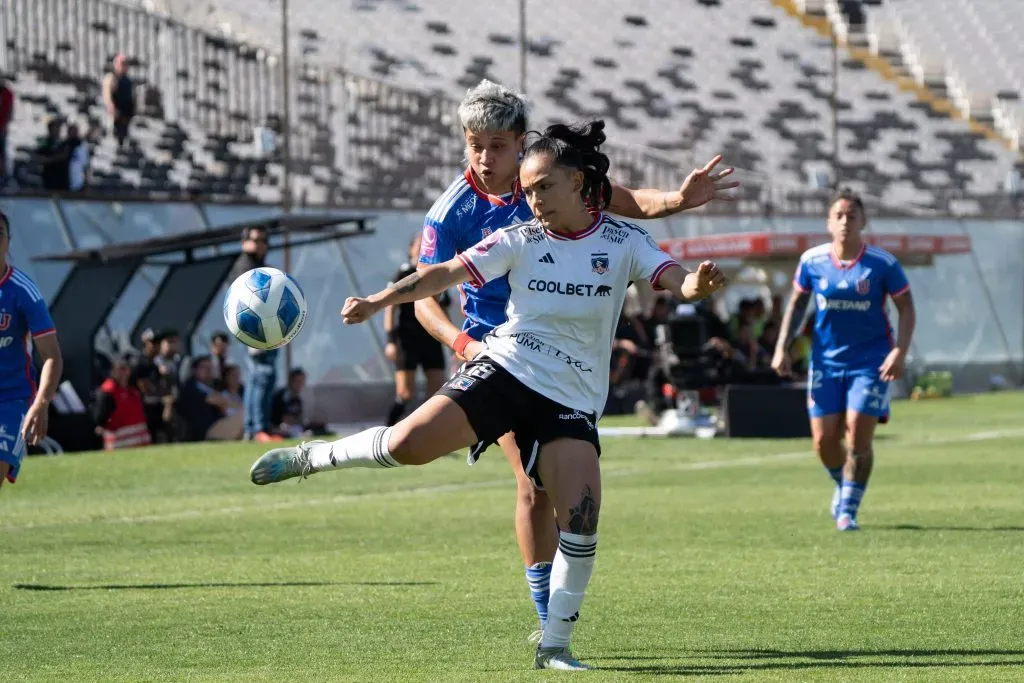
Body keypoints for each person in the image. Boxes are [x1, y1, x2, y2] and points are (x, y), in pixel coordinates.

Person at [250, 121, 726, 670]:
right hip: (506, 369)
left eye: (544, 188)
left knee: (582, 518)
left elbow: (677, 279)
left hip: (572, 398)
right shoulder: (519, 239)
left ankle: (555, 646)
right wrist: (379, 300)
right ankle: (312, 457)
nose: (533, 201)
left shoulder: (623, 241)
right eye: (527, 191)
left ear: (577, 182)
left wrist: (698, 285)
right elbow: (443, 274)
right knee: (407, 446)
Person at [411, 79, 738, 640]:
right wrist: (466, 346)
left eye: (497, 146)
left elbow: (629, 202)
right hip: (498, 352)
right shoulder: (450, 212)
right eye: (474, 145)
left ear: (520, 143)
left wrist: (680, 200)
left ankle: (553, 613)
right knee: (531, 483)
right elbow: (424, 298)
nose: (485, 158)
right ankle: (547, 615)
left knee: (549, 487)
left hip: (566, 356)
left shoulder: (549, 180)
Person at [771, 188, 916, 532]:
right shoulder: (812, 261)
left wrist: (900, 351)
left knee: (858, 434)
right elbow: (796, 305)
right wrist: (781, 347)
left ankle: (848, 509)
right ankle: (844, 482)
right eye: (839, 216)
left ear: (863, 221)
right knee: (823, 441)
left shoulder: (882, 264)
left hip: (871, 361)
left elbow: (907, 307)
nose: (845, 222)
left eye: (852, 216)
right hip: (826, 362)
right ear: (828, 223)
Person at [0, 210, 63, 489]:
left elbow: (51, 355)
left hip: (10, 401)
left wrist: (40, 403)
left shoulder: (22, 290)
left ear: (8, 241)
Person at [384, 233, 451, 426]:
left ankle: (426, 432)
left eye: (426, 244)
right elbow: (390, 307)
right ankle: (386, 431)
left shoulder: (437, 273)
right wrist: (390, 341)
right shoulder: (404, 272)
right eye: (419, 244)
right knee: (405, 393)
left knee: (437, 391)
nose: (423, 247)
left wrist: (452, 339)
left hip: (431, 337)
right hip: (407, 339)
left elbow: (443, 308)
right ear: (411, 249)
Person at [229, 226, 282, 442]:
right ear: (244, 243)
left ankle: (256, 428)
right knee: (262, 375)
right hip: (255, 328)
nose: (260, 244)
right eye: (255, 240)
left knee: (260, 377)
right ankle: (258, 428)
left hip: (266, 328)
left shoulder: (260, 266)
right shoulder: (245, 266)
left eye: (264, 240)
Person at [94, 356, 151, 450]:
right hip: (119, 445)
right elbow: (100, 418)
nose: (123, 373)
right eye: (120, 369)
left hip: (140, 443)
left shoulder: (133, 389)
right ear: (113, 371)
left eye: (126, 369)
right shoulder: (107, 391)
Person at [102, 53, 135, 149]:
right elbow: (107, 94)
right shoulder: (111, 78)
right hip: (115, 114)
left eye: (125, 64)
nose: (124, 66)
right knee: (114, 136)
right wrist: (111, 106)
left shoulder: (127, 80)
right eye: (122, 63)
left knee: (124, 137)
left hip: (126, 114)